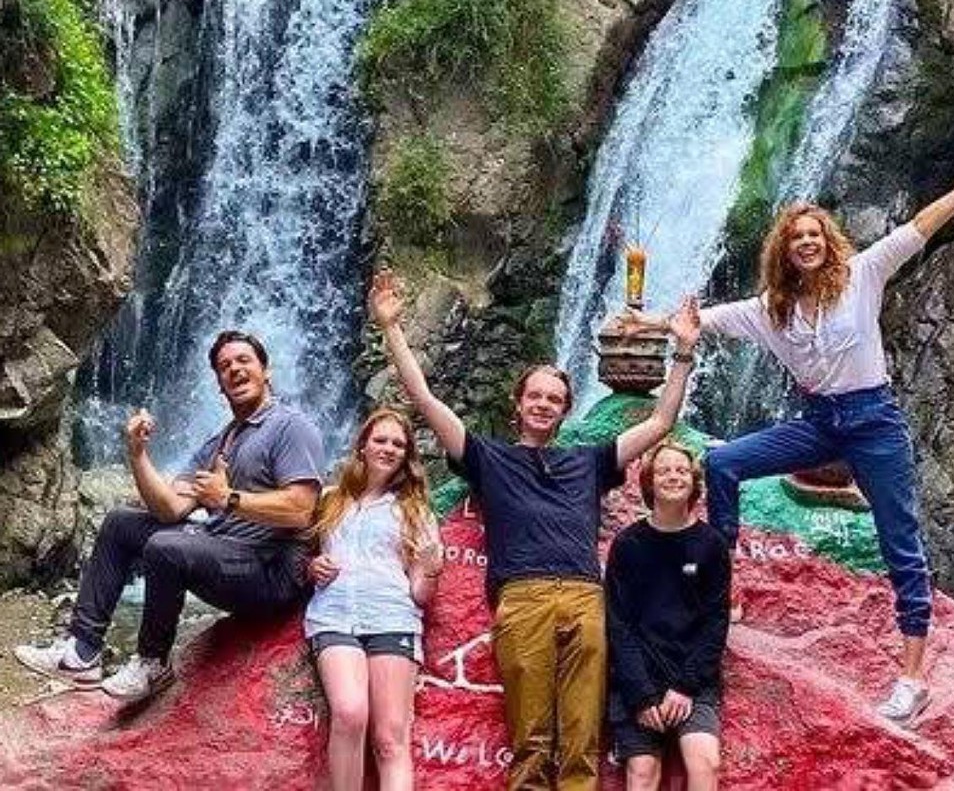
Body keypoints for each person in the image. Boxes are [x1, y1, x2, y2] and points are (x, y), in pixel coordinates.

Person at [625, 140, 954, 725]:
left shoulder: (864, 275)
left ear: (828, 241)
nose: (807, 242)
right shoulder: (771, 308)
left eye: (815, 234)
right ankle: (723, 589)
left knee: (900, 542)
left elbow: (919, 228)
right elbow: (698, 321)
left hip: (873, 422)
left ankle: (912, 677)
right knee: (725, 462)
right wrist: (649, 323)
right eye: (797, 238)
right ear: (784, 251)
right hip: (817, 423)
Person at [367, 268, 701, 791]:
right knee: (531, 743)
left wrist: (681, 351)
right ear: (518, 404)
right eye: (536, 396)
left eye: (554, 399)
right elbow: (426, 402)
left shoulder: (589, 461)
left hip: (586, 598)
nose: (544, 404)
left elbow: (659, 424)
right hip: (522, 598)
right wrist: (391, 327)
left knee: (582, 743)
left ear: (565, 411)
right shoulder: (488, 458)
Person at [14, 330, 324, 701]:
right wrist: (137, 453)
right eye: (225, 366)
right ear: (219, 385)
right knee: (121, 523)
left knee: (167, 546)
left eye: (244, 360)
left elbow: (301, 509)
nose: (235, 370)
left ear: (266, 370)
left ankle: (152, 663)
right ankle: (81, 652)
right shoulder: (222, 440)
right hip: (224, 552)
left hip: (270, 571)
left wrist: (228, 498)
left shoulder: (291, 427)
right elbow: (169, 508)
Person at [305, 407, 442, 791]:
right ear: (362, 446)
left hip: (392, 619)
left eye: (398, 444)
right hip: (333, 617)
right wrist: (313, 566)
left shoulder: (415, 511)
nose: (388, 448)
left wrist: (431, 569)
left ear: (407, 455)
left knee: (389, 738)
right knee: (349, 713)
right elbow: (303, 558)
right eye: (380, 440)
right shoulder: (330, 500)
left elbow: (421, 594)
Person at [605, 439, 728, 791]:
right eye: (664, 471)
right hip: (638, 679)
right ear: (649, 482)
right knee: (642, 771)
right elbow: (618, 624)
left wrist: (685, 687)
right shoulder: (628, 545)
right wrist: (642, 695)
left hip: (693, 679)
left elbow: (715, 621)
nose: (673, 477)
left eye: (681, 470)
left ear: (694, 481)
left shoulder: (711, 544)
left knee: (705, 763)